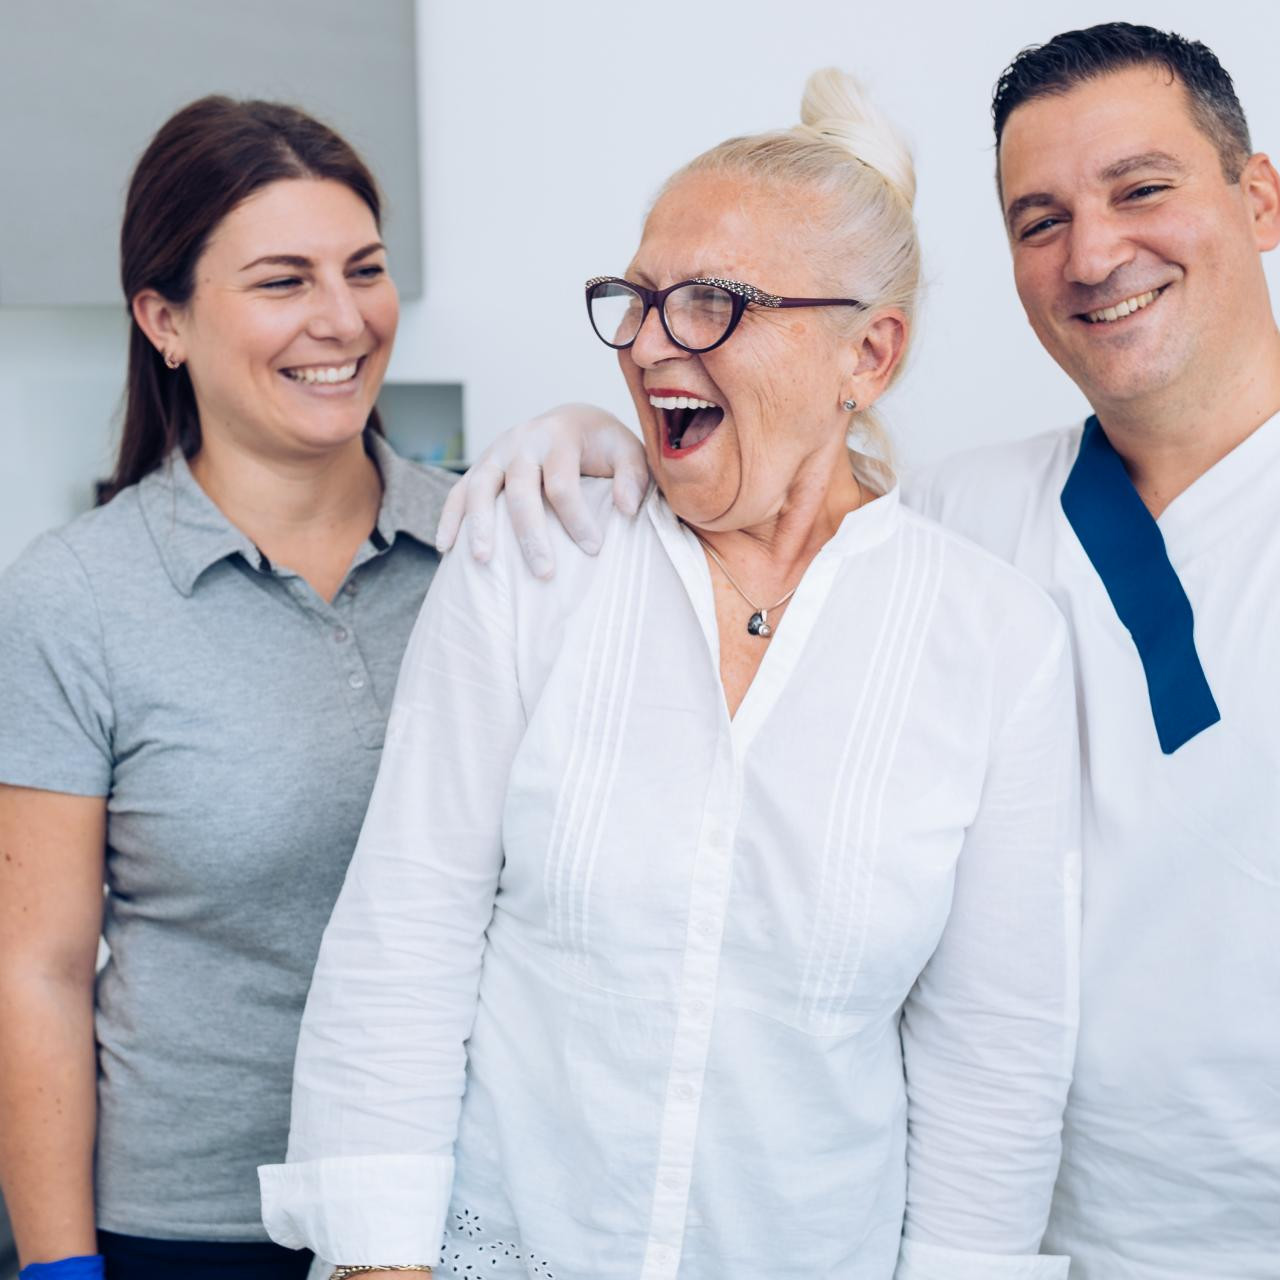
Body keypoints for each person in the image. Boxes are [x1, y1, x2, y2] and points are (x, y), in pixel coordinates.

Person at [452, 22, 1280, 1280]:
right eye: (1039, 219)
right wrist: (590, 440)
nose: (1091, 253)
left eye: (1139, 189)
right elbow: (774, 496)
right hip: (1013, 1224)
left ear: (1257, 198)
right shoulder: (959, 524)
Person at [261, 70, 1080, 1280]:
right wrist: (382, 1262)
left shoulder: (994, 640)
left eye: (709, 303)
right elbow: (405, 931)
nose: (648, 344)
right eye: (637, 299)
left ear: (867, 352)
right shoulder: (535, 559)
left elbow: (992, 1056)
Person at [0, 97, 463, 1280]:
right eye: (282, 281)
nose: (342, 317)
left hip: (465, 1205)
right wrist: (59, 1266)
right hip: (200, 1226)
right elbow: (38, 970)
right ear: (164, 319)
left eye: (364, 269)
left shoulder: (495, 549)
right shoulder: (76, 595)